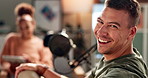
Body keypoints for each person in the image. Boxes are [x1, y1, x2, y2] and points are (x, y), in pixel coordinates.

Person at [15, 0, 148, 78]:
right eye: (100, 22)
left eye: (113, 26)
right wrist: (43, 70)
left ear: (131, 33)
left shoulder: (121, 74)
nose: (101, 32)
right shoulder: (116, 58)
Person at [0, 3, 53, 77]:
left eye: (27, 27)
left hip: (33, 74)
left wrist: (33, 62)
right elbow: (3, 61)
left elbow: (48, 66)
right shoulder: (11, 39)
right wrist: (9, 68)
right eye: (21, 28)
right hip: (14, 74)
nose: (24, 31)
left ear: (33, 24)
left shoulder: (41, 44)